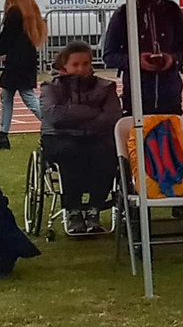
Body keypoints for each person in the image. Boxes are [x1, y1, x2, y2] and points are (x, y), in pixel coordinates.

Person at [38, 42, 124, 236]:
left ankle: (94, 208)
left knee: (107, 153)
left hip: (96, 137)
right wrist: (90, 111)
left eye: (86, 63)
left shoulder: (106, 87)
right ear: (64, 66)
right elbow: (54, 116)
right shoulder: (50, 87)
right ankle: (73, 209)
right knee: (69, 152)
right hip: (59, 138)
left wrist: (78, 120)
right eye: (76, 64)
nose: (81, 69)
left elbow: (112, 116)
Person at [102, 0, 183, 115]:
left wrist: (172, 59)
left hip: (170, 92)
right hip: (136, 93)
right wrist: (136, 61)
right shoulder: (123, 14)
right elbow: (109, 55)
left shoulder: (171, 10)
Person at [0, 0, 47, 150]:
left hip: (16, 61)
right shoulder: (31, 10)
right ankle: (2, 133)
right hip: (26, 59)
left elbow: (6, 38)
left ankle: (50, 124)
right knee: (8, 96)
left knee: (26, 96)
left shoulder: (14, 12)